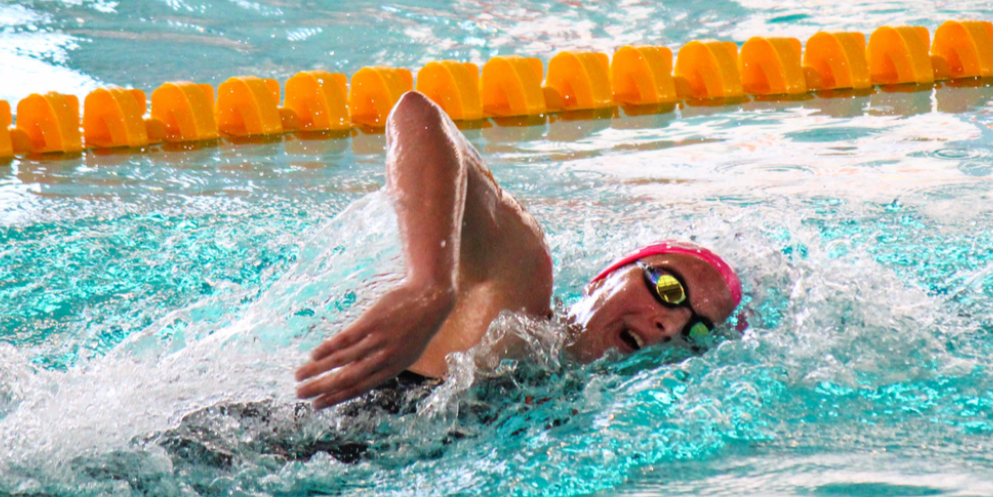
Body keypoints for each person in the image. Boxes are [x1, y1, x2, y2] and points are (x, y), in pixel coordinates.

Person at [295, 92, 742, 410]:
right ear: (606, 277)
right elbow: (418, 116)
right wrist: (429, 286)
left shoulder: (574, 410)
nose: (670, 325)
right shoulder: (517, 290)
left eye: (697, 332)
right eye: (667, 287)